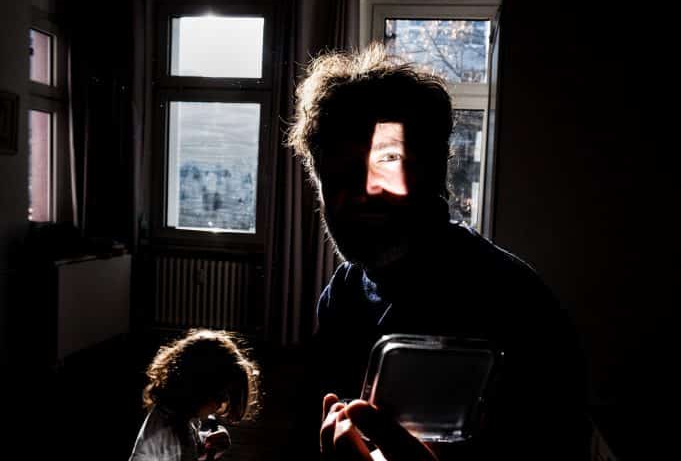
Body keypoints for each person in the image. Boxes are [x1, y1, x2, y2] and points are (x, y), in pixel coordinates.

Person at [288, 43, 589, 459]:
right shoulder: (342, 295)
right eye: (337, 178)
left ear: (432, 173)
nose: (358, 197)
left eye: (382, 168)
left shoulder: (518, 305)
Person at [128, 329, 261, 461]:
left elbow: (188, 450)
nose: (220, 406)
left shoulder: (181, 417)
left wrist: (207, 445)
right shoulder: (166, 436)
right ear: (199, 389)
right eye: (219, 397)